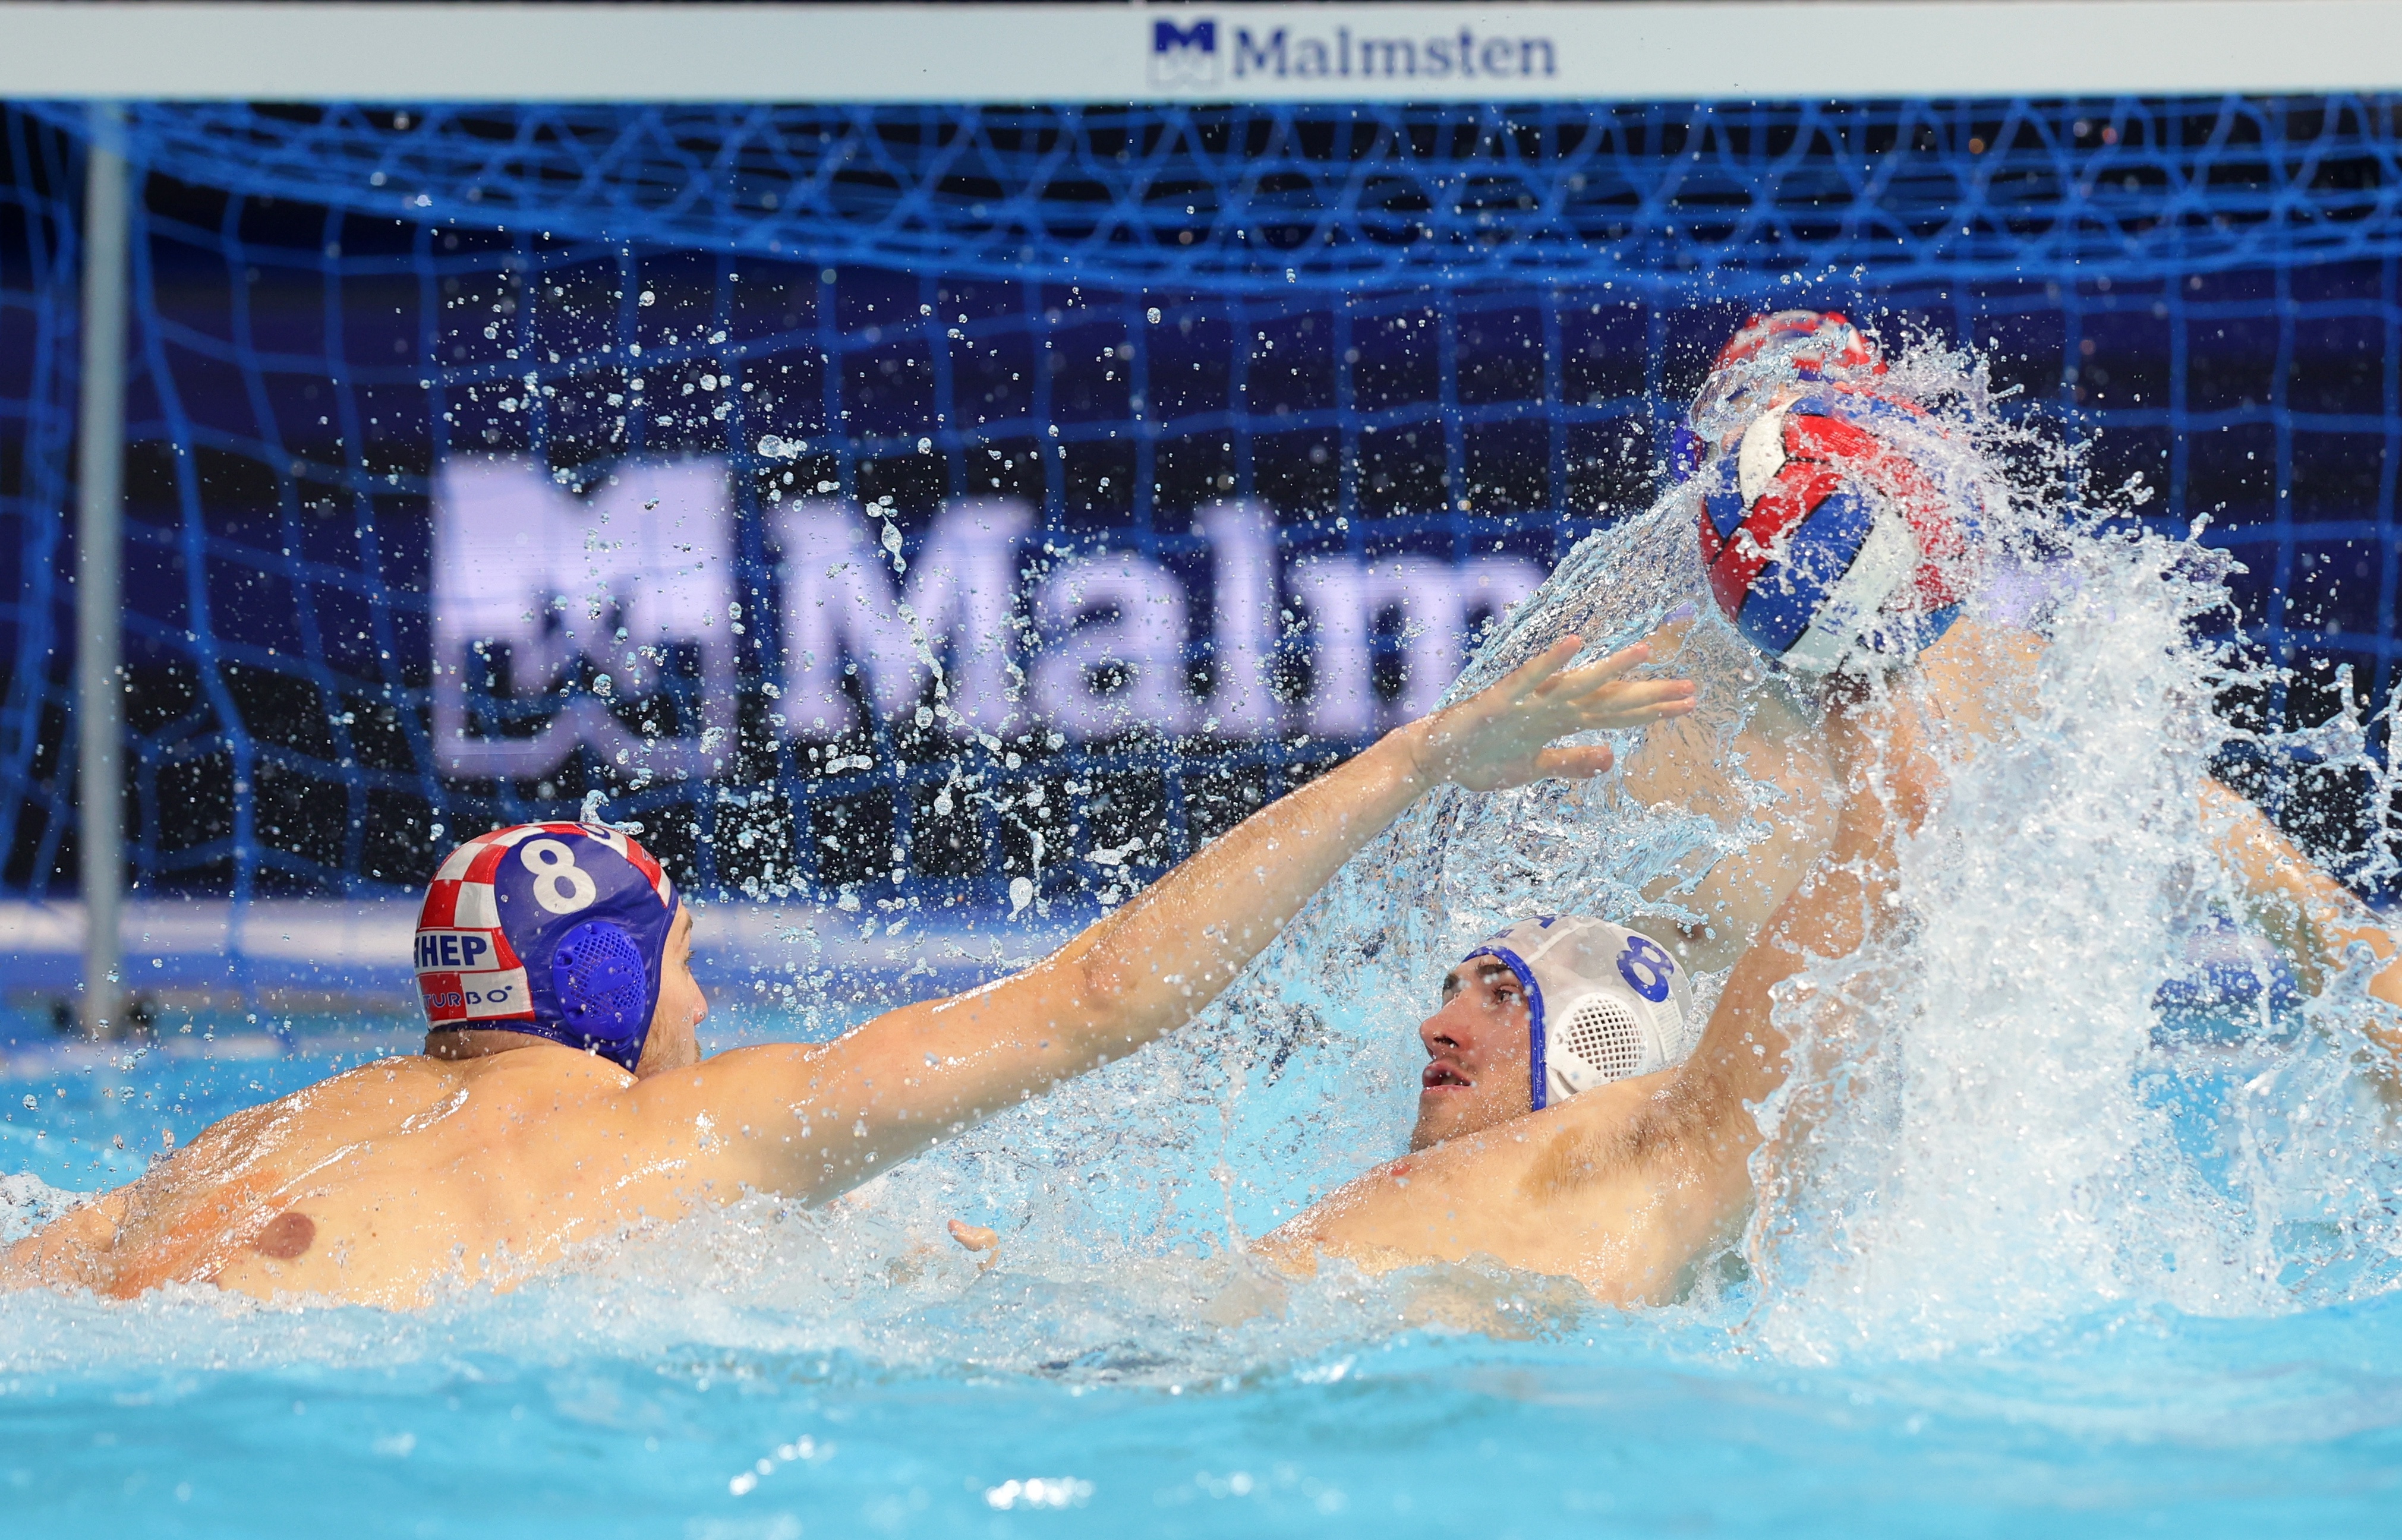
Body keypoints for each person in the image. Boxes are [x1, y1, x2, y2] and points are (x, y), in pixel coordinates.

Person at [2, 636, 1697, 1308]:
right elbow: (1106, 993)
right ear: (603, 991)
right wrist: (1419, 758)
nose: (706, 1009)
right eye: (678, 971)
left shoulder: (229, 1157)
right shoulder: (698, 1136)